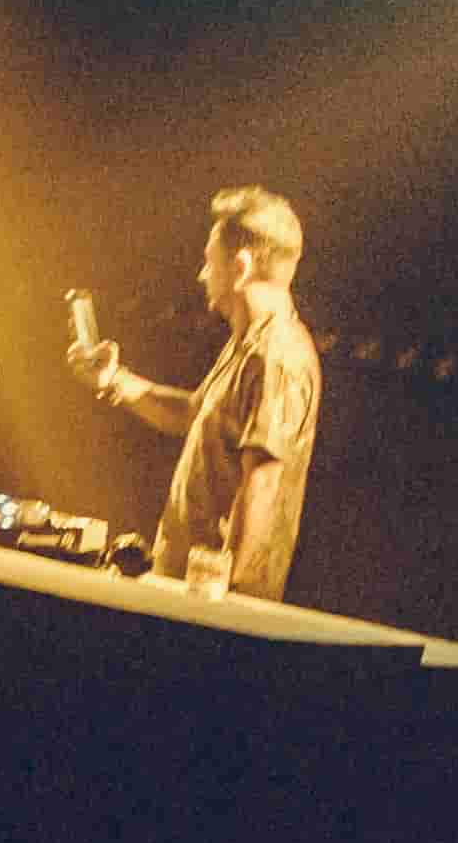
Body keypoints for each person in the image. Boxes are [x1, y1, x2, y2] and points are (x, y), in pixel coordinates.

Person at [65, 185, 322, 602]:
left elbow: (263, 481)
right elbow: (191, 413)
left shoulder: (275, 358)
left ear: (240, 267)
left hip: (212, 601)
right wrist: (114, 380)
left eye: (209, 261)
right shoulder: (247, 346)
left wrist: (221, 594)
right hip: (190, 588)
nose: (202, 275)